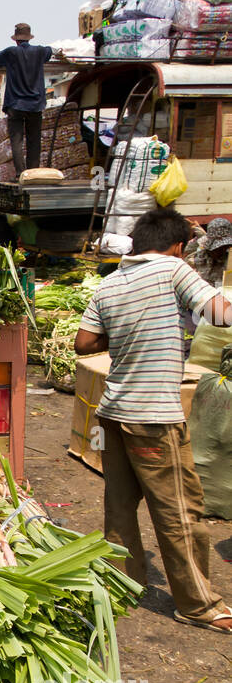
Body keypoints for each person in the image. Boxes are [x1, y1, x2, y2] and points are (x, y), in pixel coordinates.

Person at [74, 208, 232, 632]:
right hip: (153, 418)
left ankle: (123, 583)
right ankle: (198, 605)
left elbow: (84, 343)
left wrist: (126, 330)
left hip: (112, 415)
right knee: (180, 509)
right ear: (177, 245)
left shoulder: (110, 284)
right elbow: (220, 315)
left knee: (120, 505)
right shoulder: (171, 270)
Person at [0, 24, 54, 176]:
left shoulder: (11, 52)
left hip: (16, 105)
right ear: (29, 37)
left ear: (16, 40)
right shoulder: (40, 51)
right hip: (35, 105)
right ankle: (32, 172)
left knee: (17, 141)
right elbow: (50, 51)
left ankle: (21, 173)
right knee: (34, 140)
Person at [187, 217, 232, 290]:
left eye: (225, 246)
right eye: (219, 248)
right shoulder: (196, 260)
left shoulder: (229, 259)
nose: (223, 250)